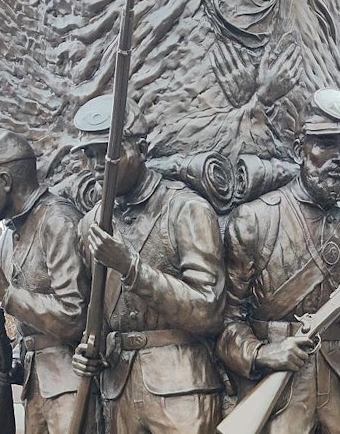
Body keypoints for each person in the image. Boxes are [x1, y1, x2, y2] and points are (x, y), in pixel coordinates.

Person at [215, 88, 340, 434]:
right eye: (327, 144)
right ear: (299, 150)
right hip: (278, 392)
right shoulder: (255, 220)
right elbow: (228, 322)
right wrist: (262, 355)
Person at [71, 95, 225, 434]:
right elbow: (87, 317)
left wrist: (131, 268)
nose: (99, 163)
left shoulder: (185, 209)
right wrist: (85, 349)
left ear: (142, 149)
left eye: (109, 151)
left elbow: (208, 311)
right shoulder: (89, 225)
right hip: (117, 390)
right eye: (90, 154)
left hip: (182, 387)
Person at [0, 128, 89, 434]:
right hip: (34, 389)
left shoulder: (57, 221)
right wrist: (13, 358)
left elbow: (74, 317)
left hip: (72, 386)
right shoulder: (5, 241)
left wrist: (5, 293)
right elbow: (25, 327)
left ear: (5, 181)